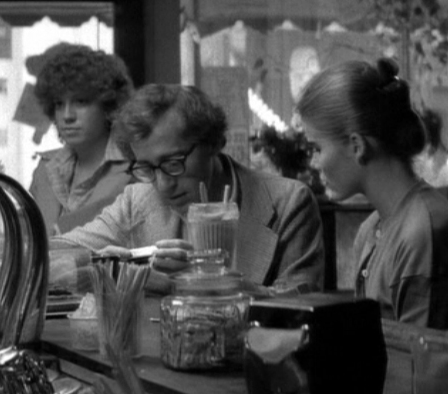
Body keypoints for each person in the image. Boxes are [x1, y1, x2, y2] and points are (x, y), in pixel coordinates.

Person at [57, 84, 325, 294]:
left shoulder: (288, 202)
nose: (163, 185)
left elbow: (300, 309)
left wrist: (203, 282)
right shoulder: (138, 200)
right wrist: (106, 267)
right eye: (148, 168)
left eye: (174, 162)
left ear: (213, 143)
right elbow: (56, 253)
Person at [296, 58, 448, 329]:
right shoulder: (372, 229)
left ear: (356, 146)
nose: (314, 163)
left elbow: (423, 353)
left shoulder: (425, 234)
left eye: (316, 148)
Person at [28, 44, 136, 235]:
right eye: (59, 104)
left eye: (81, 101)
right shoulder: (44, 169)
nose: (67, 116)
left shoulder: (136, 169)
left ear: (108, 105)